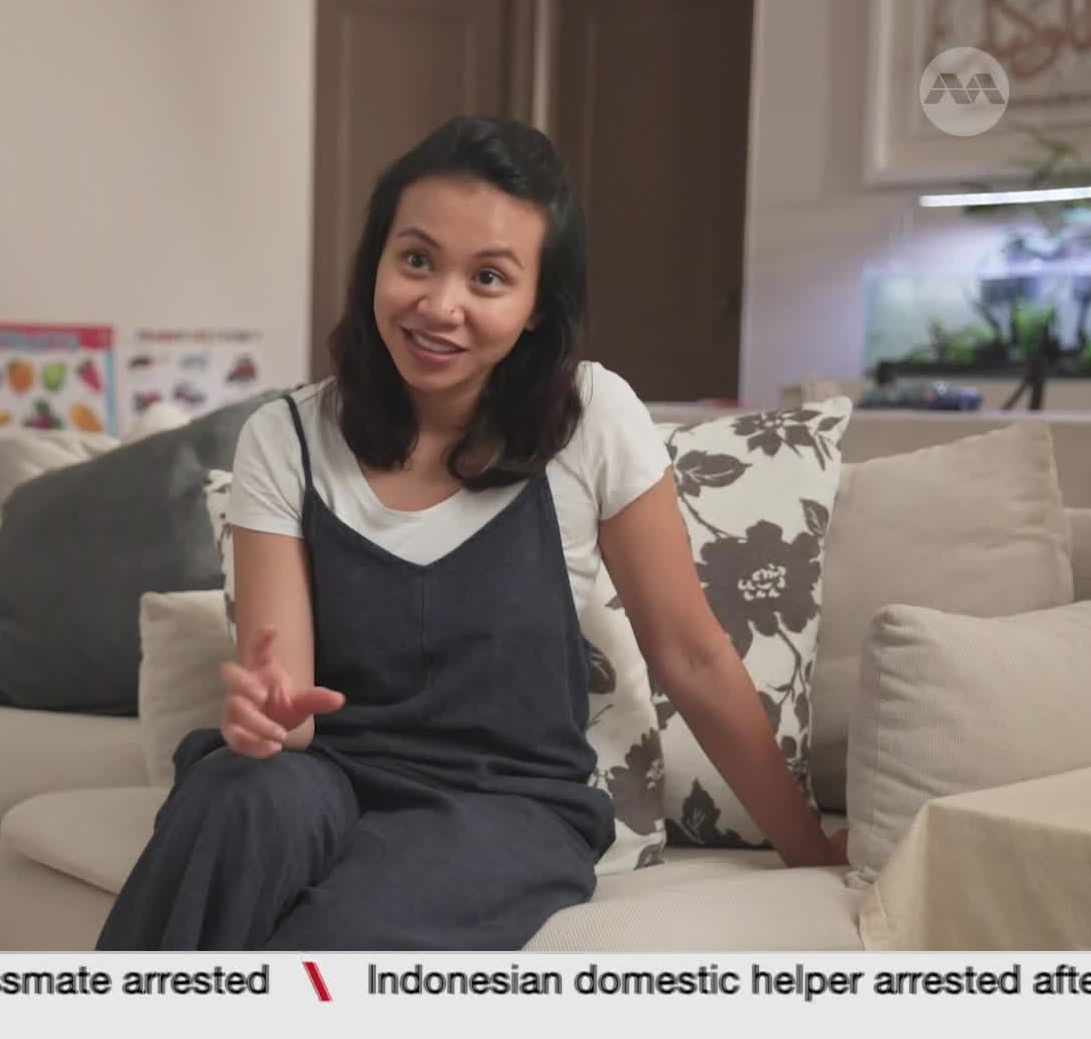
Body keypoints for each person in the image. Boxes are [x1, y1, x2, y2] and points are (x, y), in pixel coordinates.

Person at [95, 115, 847, 953]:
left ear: (534, 309)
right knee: (237, 794)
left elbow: (693, 655)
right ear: (376, 262)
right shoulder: (286, 437)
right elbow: (292, 710)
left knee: (337, 941)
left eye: (489, 278)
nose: (439, 305)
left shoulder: (591, 419)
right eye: (415, 259)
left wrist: (811, 852)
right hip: (325, 776)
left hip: (504, 804)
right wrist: (264, 717)